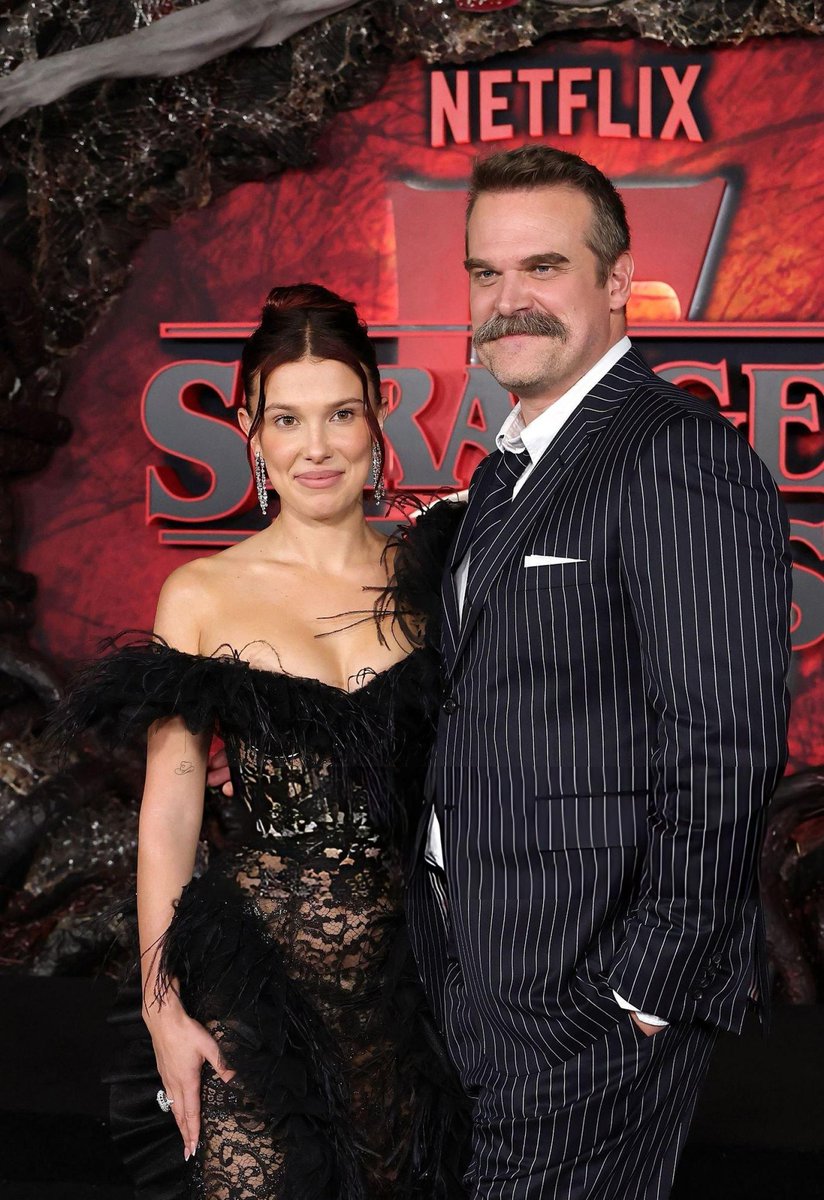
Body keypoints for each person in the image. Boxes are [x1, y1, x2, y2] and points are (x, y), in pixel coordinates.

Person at [404, 146, 793, 1199]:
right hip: (475, 974)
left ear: (616, 284)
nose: (507, 301)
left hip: (589, 994)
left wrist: (645, 988)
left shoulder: (675, 455)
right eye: (485, 273)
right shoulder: (505, 470)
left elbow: (724, 738)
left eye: (542, 268)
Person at [56, 283, 467, 1200]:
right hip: (258, 981)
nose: (316, 447)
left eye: (340, 414)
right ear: (250, 428)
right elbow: (170, 812)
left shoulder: (439, 573)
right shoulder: (201, 596)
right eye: (287, 418)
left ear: (379, 414)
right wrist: (164, 1011)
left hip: (424, 986)